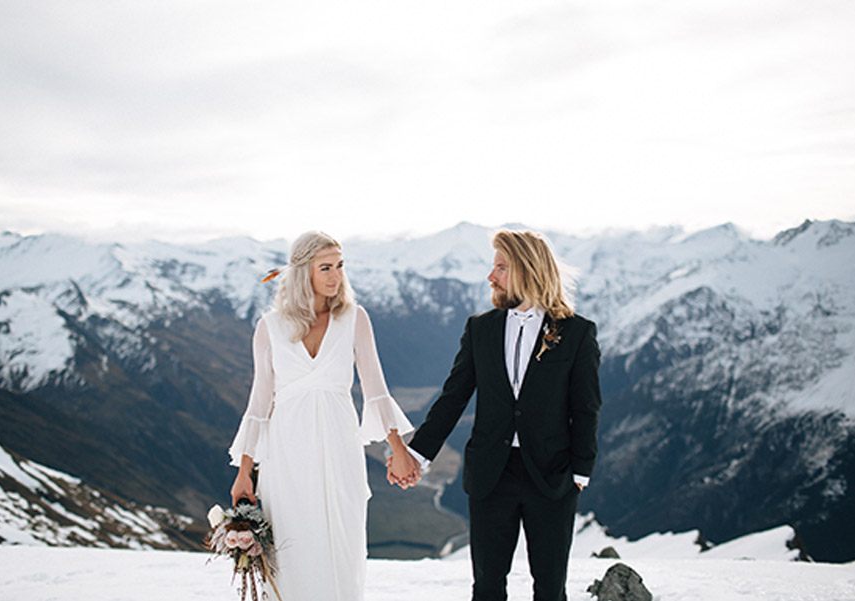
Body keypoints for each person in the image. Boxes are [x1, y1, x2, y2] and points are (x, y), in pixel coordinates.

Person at [388, 229, 602, 601]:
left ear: (527, 269)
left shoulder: (577, 333)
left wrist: (581, 469)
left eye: (501, 267)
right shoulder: (480, 329)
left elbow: (585, 405)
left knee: (551, 589)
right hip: (491, 474)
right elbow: (453, 398)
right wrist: (416, 454)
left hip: (552, 476)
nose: (491, 276)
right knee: (487, 587)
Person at [228, 231, 416, 601]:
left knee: (342, 547)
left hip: (340, 449)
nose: (336, 276)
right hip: (286, 456)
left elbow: (375, 388)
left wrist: (398, 447)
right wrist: (244, 471)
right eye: (325, 267)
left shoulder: (354, 319)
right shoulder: (269, 327)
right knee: (291, 549)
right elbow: (260, 402)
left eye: (340, 266)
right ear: (303, 272)